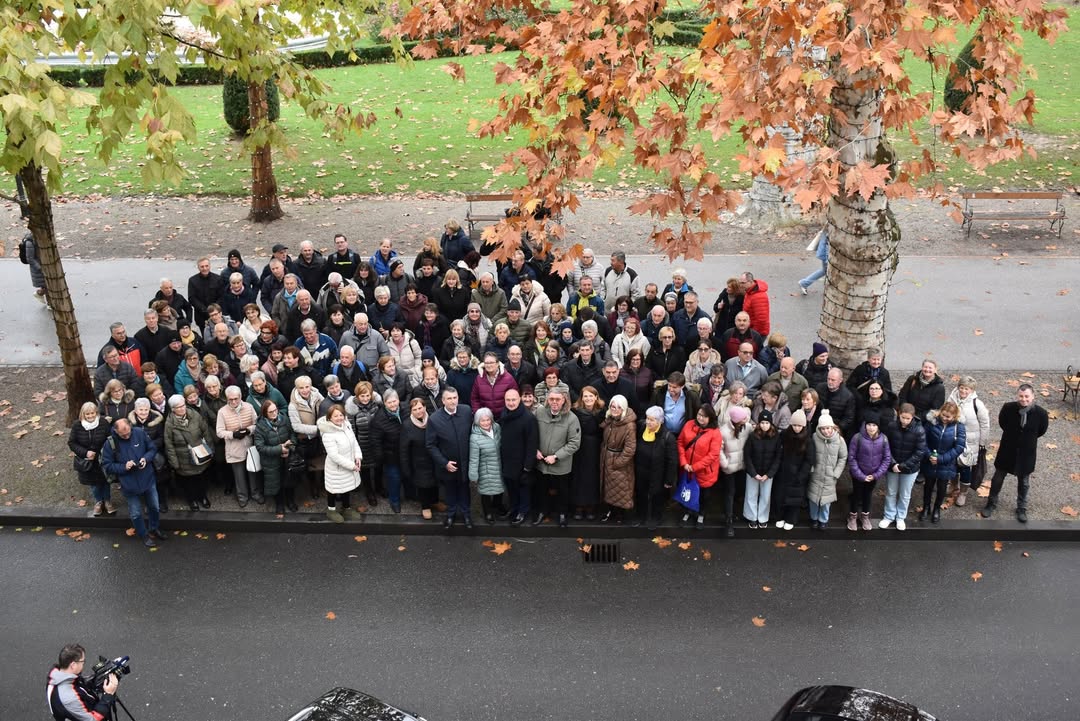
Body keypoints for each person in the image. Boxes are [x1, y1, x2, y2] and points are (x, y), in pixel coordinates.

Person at [101, 418, 165, 547]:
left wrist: (145, 459)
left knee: (154, 507)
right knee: (135, 513)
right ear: (115, 431)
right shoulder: (110, 443)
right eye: (122, 435)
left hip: (147, 478)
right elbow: (107, 465)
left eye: (128, 433)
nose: (126, 436)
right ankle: (143, 534)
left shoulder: (139, 433)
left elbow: (152, 449)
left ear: (130, 426)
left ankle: (154, 528)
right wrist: (124, 467)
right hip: (129, 484)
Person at [426, 387, 474, 529]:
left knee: (465, 489)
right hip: (448, 464)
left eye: (455, 398)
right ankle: (451, 514)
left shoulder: (466, 411)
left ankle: (466, 515)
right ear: (443, 400)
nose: (453, 401)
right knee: (450, 490)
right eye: (449, 398)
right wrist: (444, 462)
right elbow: (430, 445)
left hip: (465, 462)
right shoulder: (434, 419)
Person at [534, 387, 581, 527]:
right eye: (551, 399)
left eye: (557, 399)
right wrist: (534, 449)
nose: (554, 402)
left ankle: (562, 514)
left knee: (562, 490)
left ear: (564, 400)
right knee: (541, 489)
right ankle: (542, 511)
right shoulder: (540, 412)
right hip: (541, 461)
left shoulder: (572, 418)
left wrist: (556, 456)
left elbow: (574, 443)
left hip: (561, 463)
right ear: (547, 399)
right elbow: (532, 433)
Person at [917, 400, 966, 523]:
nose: (944, 418)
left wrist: (941, 459)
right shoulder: (932, 422)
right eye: (943, 415)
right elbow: (923, 440)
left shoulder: (958, 427)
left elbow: (959, 447)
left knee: (942, 487)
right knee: (928, 486)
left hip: (946, 463)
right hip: (930, 461)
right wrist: (929, 455)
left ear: (954, 416)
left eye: (948, 417)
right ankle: (926, 506)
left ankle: (936, 509)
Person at [881, 403, 927, 531]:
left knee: (905, 494)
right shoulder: (891, 426)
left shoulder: (919, 430)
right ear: (899, 415)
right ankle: (889, 516)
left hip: (909, 469)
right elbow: (885, 445)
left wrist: (903, 466)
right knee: (891, 492)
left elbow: (919, 452)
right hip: (893, 466)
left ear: (912, 417)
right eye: (903, 417)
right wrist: (893, 463)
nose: (905, 421)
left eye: (908, 418)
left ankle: (900, 517)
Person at [163, 394, 212, 512]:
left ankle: (202, 497)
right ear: (173, 409)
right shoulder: (169, 423)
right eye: (178, 407)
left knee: (201, 477)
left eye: (183, 405)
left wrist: (210, 449)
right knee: (187, 481)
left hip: (199, 452)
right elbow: (168, 444)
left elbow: (205, 431)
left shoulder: (194, 415)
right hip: (182, 457)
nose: (182, 408)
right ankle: (192, 500)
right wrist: (174, 462)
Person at [677, 404, 722, 529]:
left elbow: (713, 455)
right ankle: (688, 511)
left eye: (704, 416)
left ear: (710, 418)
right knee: (687, 492)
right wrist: (684, 462)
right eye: (699, 415)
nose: (700, 418)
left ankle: (701, 514)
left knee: (703, 495)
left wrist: (694, 467)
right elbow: (680, 442)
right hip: (687, 468)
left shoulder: (715, 433)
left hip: (704, 471)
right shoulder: (689, 424)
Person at [948, 376, 991, 507]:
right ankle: (954, 486)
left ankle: (963, 493)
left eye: (967, 389)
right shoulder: (951, 399)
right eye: (962, 387)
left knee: (965, 468)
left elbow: (985, 424)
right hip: (952, 439)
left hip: (970, 443)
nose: (964, 391)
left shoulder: (977, 404)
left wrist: (982, 443)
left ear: (972, 390)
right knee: (952, 465)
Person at [48, 643, 119, 721]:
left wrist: (94, 681)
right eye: (83, 662)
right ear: (73, 665)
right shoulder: (70, 699)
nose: (83, 664)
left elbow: (77, 685)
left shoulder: (57, 677)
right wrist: (108, 695)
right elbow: (92, 719)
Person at [847, 411, 893, 531]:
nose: (871, 428)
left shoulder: (883, 439)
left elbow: (887, 458)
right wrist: (861, 476)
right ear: (865, 425)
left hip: (873, 475)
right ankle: (852, 516)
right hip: (858, 475)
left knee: (867, 495)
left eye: (874, 425)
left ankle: (865, 516)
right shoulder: (857, 438)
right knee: (856, 495)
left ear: (878, 426)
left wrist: (876, 474)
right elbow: (851, 458)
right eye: (869, 425)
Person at [633, 405, 677, 530]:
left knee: (657, 496)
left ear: (660, 421)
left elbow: (672, 461)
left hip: (658, 473)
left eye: (652, 420)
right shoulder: (641, 428)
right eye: (647, 418)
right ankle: (641, 516)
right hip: (641, 470)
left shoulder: (668, 437)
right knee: (641, 494)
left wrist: (669, 480)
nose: (648, 422)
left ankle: (656, 518)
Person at [68, 402, 115, 517]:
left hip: (102, 458)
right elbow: (72, 443)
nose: (90, 416)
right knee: (94, 484)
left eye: (92, 413)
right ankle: (98, 501)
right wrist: (85, 452)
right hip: (88, 461)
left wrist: (105, 453)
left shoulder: (103, 423)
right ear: (83, 414)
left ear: (96, 413)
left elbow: (110, 440)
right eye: (87, 414)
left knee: (105, 481)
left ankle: (107, 501)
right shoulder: (77, 425)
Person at [499, 388, 538, 526]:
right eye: (508, 400)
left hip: (521, 462)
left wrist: (528, 466)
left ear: (519, 399)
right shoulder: (504, 413)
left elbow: (532, 444)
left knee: (523, 488)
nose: (510, 403)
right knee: (511, 488)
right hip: (507, 459)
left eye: (513, 399)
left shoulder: (528, 418)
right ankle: (513, 508)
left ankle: (523, 511)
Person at [319, 404, 363, 523]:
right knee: (333, 489)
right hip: (336, 468)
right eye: (335, 416)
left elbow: (354, 442)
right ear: (329, 418)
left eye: (341, 415)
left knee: (346, 488)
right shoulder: (328, 434)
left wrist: (358, 456)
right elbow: (334, 456)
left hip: (349, 463)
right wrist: (351, 465)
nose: (339, 418)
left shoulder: (347, 425)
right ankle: (331, 510)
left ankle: (346, 508)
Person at [216, 385, 259, 507]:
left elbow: (257, 424)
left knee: (253, 472)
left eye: (236, 398)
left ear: (240, 397)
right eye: (230, 399)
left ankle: (255, 494)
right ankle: (242, 497)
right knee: (239, 476)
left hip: (249, 446)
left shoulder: (249, 407)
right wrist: (232, 434)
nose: (233, 402)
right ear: (227, 399)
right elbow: (219, 432)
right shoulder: (222, 412)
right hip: (234, 448)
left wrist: (248, 430)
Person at [774, 408, 814, 530]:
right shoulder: (784, 435)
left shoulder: (808, 440)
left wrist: (802, 475)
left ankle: (791, 519)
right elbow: (778, 452)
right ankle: (779, 517)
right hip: (783, 472)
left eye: (799, 425)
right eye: (795, 425)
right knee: (780, 496)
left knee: (795, 498)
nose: (797, 428)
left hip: (798, 474)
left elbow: (809, 459)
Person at [807, 410, 848, 530]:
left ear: (832, 427)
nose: (826, 431)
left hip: (830, 475)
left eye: (828, 428)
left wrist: (836, 473)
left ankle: (823, 519)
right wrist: (812, 468)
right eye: (823, 428)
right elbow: (810, 453)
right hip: (816, 473)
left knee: (826, 500)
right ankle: (814, 518)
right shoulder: (814, 437)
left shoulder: (839, 440)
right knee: (813, 498)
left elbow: (843, 457)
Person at [569, 386, 605, 522]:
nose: (588, 399)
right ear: (581, 398)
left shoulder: (602, 412)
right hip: (579, 447)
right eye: (585, 396)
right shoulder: (575, 411)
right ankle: (578, 506)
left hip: (595, 448)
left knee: (592, 478)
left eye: (591, 396)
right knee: (578, 477)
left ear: (596, 397)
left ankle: (591, 506)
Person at [599, 395, 637, 524]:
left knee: (621, 489)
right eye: (612, 406)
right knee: (609, 488)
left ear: (624, 409)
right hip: (606, 458)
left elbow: (630, 449)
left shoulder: (629, 425)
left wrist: (617, 463)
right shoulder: (610, 420)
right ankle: (610, 511)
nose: (615, 409)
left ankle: (620, 514)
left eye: (618, 407)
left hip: (619, 462)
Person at [744, 409, 782, 529]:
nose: (764, 425)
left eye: (767, 423)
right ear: (759, 423)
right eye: (762, 423)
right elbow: (747, 455)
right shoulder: (752, 436)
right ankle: (752, 517)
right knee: (751, 494)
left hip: (767, 473)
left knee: (765, 496)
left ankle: (763, 517)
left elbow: (778, 457)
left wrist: (769, 474)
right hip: (753, 472)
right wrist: (753, 473)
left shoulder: (776, 437)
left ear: (771, 424)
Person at [401, 398, 438, 519]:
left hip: (433, 458)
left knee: (434, 482)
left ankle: (435, 502)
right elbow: (404, 449)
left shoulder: (432, 419)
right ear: (411, 411)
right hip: (418, 460)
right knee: (423, 485)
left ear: (425, 407)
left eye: (420, 408)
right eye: (415, 409)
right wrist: (406, 467)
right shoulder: (407, 425)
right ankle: (425, 506)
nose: (418, 411)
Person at [468, 407, 506, 524]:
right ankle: (488, 512)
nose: (485, 423)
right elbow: (474, 458)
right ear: (477, 422)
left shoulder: (497, 428)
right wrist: (473, 475)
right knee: (486, 492)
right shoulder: (474, 437)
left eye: (488, 420)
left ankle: (498, 505)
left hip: (499, 466)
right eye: (482, 421)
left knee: (499, 489)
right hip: (486, 469)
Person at [345, 381, 380, 506]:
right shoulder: (352, 410)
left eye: (367, 396)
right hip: (362, 444)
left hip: (376, 442)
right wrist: (355, 449)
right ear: (357, 396)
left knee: (378, 467)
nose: (365, 399)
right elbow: (351, 431)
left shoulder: (376, 405)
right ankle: (369, 492)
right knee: (365, 470)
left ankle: (379, 487)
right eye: (362, 396)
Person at [718, 405, 751, 537]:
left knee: (740, 492)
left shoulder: (747, 427)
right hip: (730, 468)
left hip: (742, 466)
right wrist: (725, 463)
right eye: (743, 418)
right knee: (729, 493)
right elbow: (719, 449)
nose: (746, 419)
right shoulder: (723, 431)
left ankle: (736, 514)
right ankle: (729, 520)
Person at [370, 389, 405, 513]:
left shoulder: (406, 410)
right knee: (394, 478)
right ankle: (394, 501)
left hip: (405, 452)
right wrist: (381, 458)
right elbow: (375, 441)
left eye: (394, 401)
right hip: (391, 455)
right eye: (389, 402)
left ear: (398, 400)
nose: (393, 404)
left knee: (407, 476)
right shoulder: (378, 419)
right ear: (384, 403)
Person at [898, 359, 946, 424]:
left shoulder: (939, 388)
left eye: (930, 368)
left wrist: (916, 418)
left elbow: (935, 409)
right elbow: (902, 396)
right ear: (922, 367)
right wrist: (906, 412)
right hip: (905, 415)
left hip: (923, 421)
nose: (927, 369)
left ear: (935, 370)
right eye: (925, 367)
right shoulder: (913, 379)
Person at [817, 367, 858, 440]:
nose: (830, 382)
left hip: (835, 428)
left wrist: (838, 427)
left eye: (833, 380)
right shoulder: (820, 388)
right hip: (819, 424)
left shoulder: (848, 396)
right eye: (828, 379)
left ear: (840, 380)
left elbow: (849, 418)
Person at [188, 257, 226, 328]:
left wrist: (214, 309)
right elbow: (192, 298)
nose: (205, 268)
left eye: (206, 266)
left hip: (216, 314)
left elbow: (222, 296)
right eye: (202, 266)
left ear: (210, 266)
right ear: (198, 267)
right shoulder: (192, 280)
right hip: (201, 315)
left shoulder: (218, 279)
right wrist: (204, 310)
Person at [798, 225, 829, 294]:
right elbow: (828, 245)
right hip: (827, 254)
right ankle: (804, 283)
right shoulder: (834, 228)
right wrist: (828, 259)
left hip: (826, 253)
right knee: (827, 271)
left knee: (825, 270)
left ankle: (804, 283)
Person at [739, 271, 770, 336]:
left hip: (757, 333)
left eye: (743, 283)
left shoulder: (759, 296)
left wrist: (752, 334)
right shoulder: (749, 291)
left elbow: (761, 320)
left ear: (750, 282)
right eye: (740, 283)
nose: (741, 285)